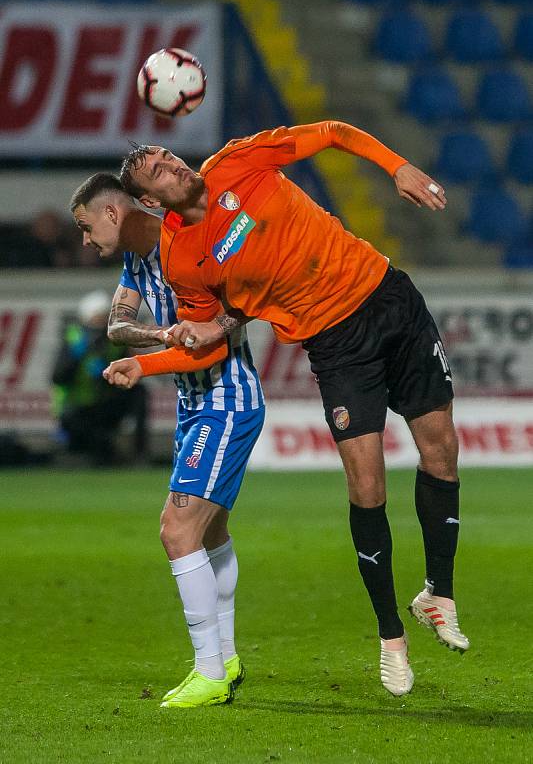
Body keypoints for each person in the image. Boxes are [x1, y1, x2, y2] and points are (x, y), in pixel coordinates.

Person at [107, 120, 470, 697]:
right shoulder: (183, 261)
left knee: (442, 451)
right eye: (159, 170)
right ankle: (390, 637)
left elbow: (331, 132)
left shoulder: (236, 162)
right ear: (150, 201)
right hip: (336, 344)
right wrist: (146, 363)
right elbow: (210, 342)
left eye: (170, 155)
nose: (175, 164)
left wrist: (395, 165)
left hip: (387, 297)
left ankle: (439, 593)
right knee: (368, 487)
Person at [69, 173, 265, 708]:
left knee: (176, 529)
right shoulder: (138, 257)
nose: (86, 241)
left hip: (225, 401)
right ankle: (224, 659)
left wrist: (146, 361)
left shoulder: (194, 246)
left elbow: (218, 342)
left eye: (87, 228)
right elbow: (116, 323)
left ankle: (208, 670)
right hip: (194, 406)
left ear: (112, 213)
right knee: (208, 534)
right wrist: (158, 334)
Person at [51, 289, 147, 465]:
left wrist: (107, 373)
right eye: (97, 319)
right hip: (76, 408)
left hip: (104, 403)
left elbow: (131, 376)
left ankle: (139, 453)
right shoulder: (74, 340)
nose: (101, 325)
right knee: (93, 444)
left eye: (104, 319)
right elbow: (57, 377)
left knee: (140, 393)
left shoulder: (115, 342)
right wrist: (76, 358)